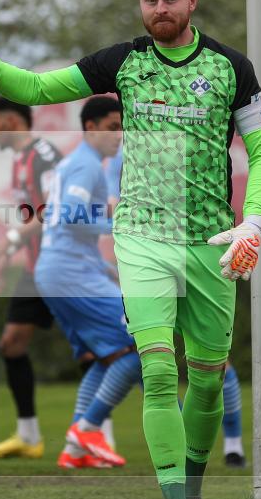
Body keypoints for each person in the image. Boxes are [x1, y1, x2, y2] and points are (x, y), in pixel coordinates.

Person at [0, 0, 261, 499]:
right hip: (141, 238)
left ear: (192, 1)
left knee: (209, 381)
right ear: (141, 4)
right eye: (150, 0)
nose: (160, 9)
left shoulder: (232, 67)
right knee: (158, 371)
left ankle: (192, 490)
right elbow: (37, 88)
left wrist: (253, 218)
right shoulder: (122, 62)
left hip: (211, 244)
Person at [105, 147, 247, 469]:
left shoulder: (197, 140)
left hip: (198, 256)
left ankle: (232, 444)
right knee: (148, 360)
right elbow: (117, 211)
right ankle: (92, 429)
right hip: (149, 261)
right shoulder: (127, 154)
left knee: (213, 369)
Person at [35, 96, 141, 470]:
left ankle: (75, 449)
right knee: (140, 344)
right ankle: (88, 428)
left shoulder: (75, 162)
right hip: (70, 273)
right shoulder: (88, 165)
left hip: (62, 270)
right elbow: (72, 218)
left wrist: (103, 268)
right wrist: (118, 226)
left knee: (108, 354)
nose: (119, 136)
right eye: (112, 128)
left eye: (121, 128)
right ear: (91, 127)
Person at [0, 97, 59, 459]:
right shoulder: (19, 160)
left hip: (64, 267)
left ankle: (97, 437)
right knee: (11, 344)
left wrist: (8, 240)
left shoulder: (44, 155)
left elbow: (55, 210)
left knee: (104, 350)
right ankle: (28, 437)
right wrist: (7, 252)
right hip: (36, 269)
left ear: (12, 120)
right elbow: (31, 221)